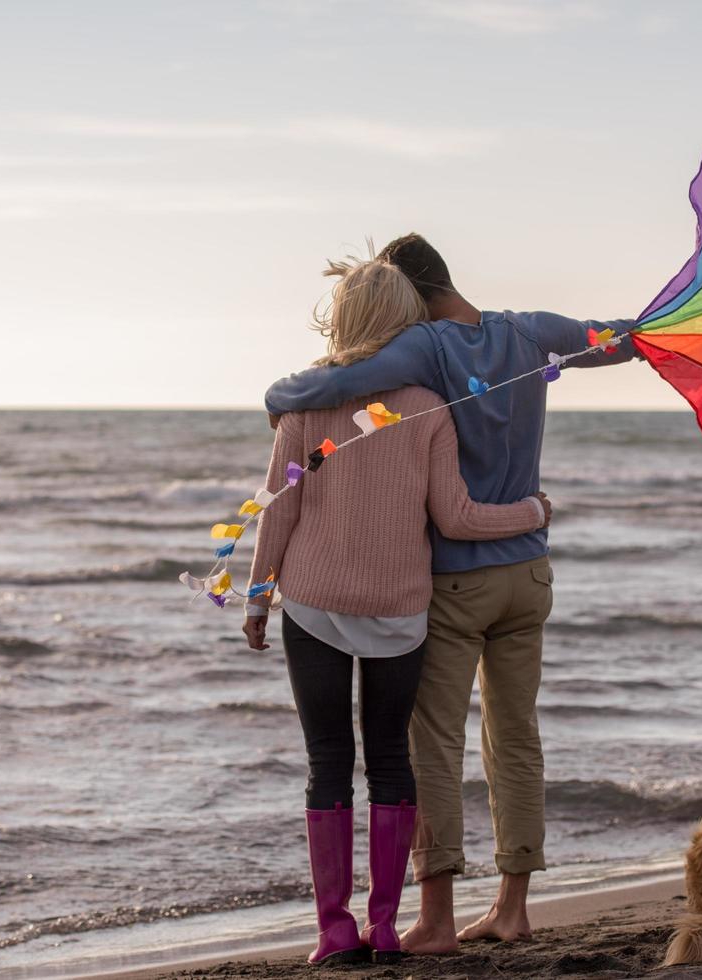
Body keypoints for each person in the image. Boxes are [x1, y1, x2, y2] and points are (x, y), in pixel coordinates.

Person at [263, 233, 644, 953]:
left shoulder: (421, 349)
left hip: (459, 578)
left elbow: (325, 388)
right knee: (516, 740)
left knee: (430, 748)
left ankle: (434, 920)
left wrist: (276, 398)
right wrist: (676, 324)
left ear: (404, 294)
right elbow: (616, 339)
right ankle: (513, 907)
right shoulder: (532, 332)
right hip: (528, 575)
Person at [243, 256, 551, 966]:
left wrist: (259, 598)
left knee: (328, 763)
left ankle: (334, 931)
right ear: (407, 322)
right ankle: (384, 927)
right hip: (403, 614)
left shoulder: (300, 408)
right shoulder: (426, 410)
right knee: (391, 761)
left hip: (314, 607)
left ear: (343, 319)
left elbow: (276, 512)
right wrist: (533, 512)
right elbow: (457, 517)